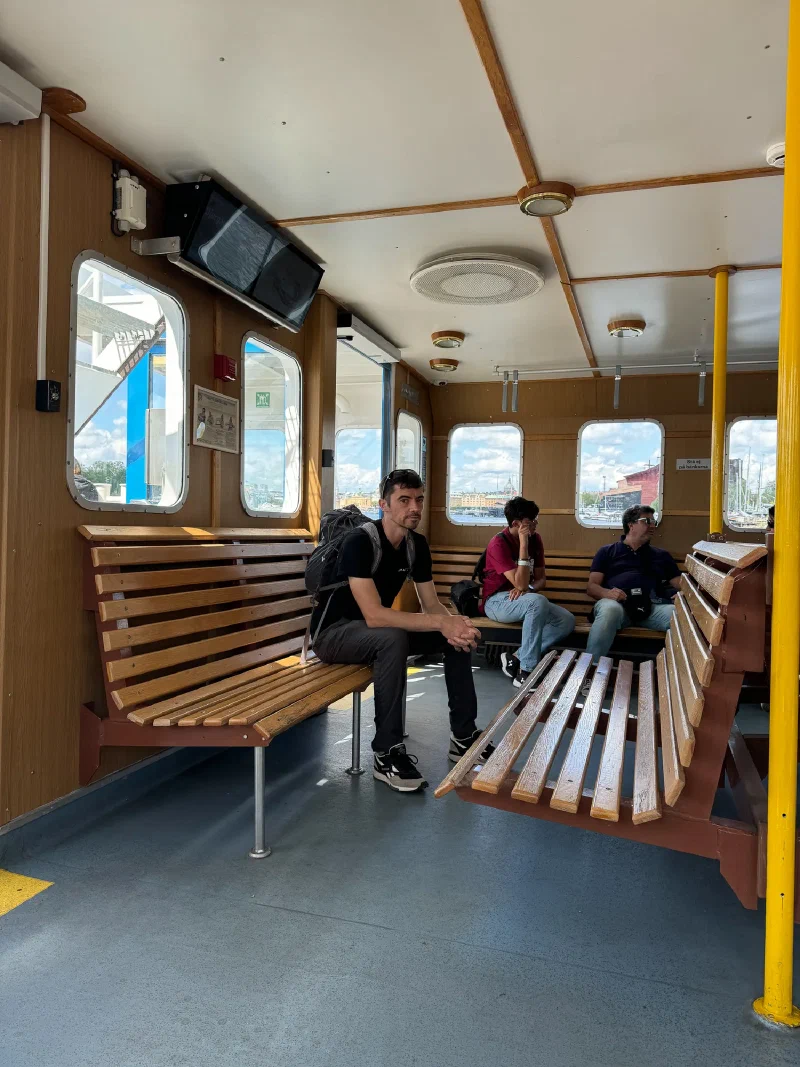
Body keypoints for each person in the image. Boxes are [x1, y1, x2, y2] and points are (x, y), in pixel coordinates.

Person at [312, 469, 491, 794]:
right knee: (391, 637)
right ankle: (387, 751)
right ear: (384, 504)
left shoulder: (416, 545)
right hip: (333, 635)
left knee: (455, 641)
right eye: (404, 500)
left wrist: (455, 625)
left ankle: (463, 737)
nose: (414, 508)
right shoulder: (361, 542)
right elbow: (376, 616)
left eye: (419, 500)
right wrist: (440, 622)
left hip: (372, 632)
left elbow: (431, 604)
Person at [482, 497, 575, 688]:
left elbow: (540, 580)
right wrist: (523, 545)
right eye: (530, 522)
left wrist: (528, 590)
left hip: (525, 599)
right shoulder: (498, 544)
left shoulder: (536, 539)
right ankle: (526, 672)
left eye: (535, 521)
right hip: (497, 602)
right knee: (536, 602)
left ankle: (516, 657)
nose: (535, 526)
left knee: (565, 620)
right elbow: (520, 584)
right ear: (516, 524)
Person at [585, 504, 681, 664]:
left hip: (653, 608)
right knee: (609, 610)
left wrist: (686, 595)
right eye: (647, 521)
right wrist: (608, 594)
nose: (652, 525)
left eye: (654, 521)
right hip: (619, 607)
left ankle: (679, 678)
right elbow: (592, 587)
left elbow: (680, 584)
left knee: (679, 615)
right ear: (631, 525)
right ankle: (589, 671)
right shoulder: (607, 552)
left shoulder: (661, 555)